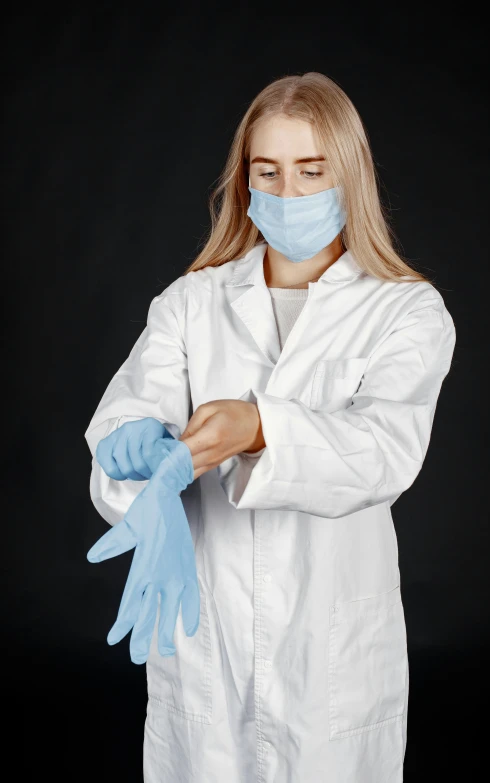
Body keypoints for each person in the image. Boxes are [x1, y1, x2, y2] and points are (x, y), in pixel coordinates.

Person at [85, 71, 456, 783]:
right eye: (269, 172)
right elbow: (131, 407)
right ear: (245, 179)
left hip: (332, 656)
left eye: (312, 172)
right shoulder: (192, 302)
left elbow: (384, 452)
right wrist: (137, 452)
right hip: (208, 641)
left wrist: (259, 428)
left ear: (350, 175)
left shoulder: (406, 312)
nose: (288, 195)